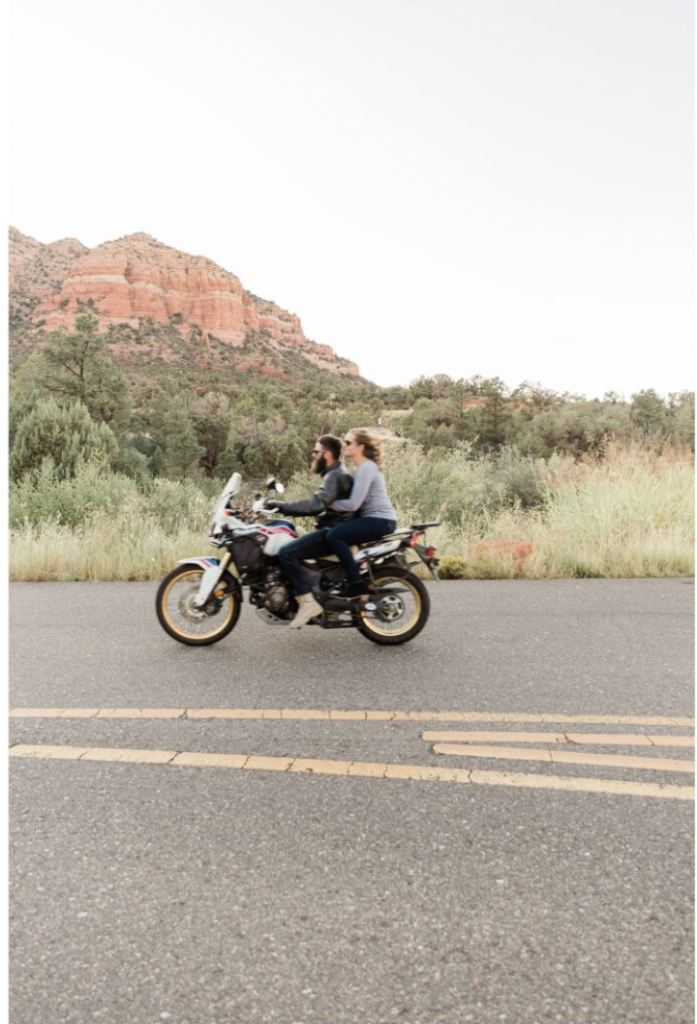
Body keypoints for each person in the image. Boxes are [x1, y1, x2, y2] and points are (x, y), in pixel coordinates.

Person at [264, 434, 354, 628]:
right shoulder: (334, 473)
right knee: (292, 532)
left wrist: (279, 506)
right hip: (334, 530)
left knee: (286, 552)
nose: (313, 455)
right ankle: (306, 588)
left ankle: (308, 603)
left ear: (327, 454)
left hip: (334, 533)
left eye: (316, 451)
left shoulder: (335, 475)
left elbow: (316, 504)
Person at [326, 428, 397, 597]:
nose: (345, 445)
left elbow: (353, 504)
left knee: (334, 536)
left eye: (349, 442)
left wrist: (328, 504)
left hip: (380, 520)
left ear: (361, 447)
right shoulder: (362, 468)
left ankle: (355, 583)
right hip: (377, 520)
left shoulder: (366, 468)